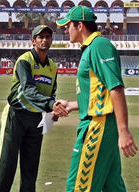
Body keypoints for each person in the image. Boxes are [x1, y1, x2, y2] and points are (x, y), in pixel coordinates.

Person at [56, 6, 138, 192]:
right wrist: (71, 105)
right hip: (100, 123)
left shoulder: (98, 46)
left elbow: (115, 87)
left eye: (68, 25)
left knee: (78, 186)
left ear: (80, 26)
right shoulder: (90, 49)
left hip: (97, 125)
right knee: (112, 186)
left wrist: (123, 130)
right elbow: (99, 94)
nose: (65, 30)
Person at [0, 25, 68, 192]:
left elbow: (51, 92)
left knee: (30, 171)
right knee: (6, 168)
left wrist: (52, 110)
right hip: (16, 117)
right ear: (33, 41)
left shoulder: (53, 67)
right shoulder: (24, 61)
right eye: (40, 37)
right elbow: (28, 91)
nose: (44, 40)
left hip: (36, 120)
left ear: (51, 40)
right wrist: (50, 104)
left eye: (48, 37)